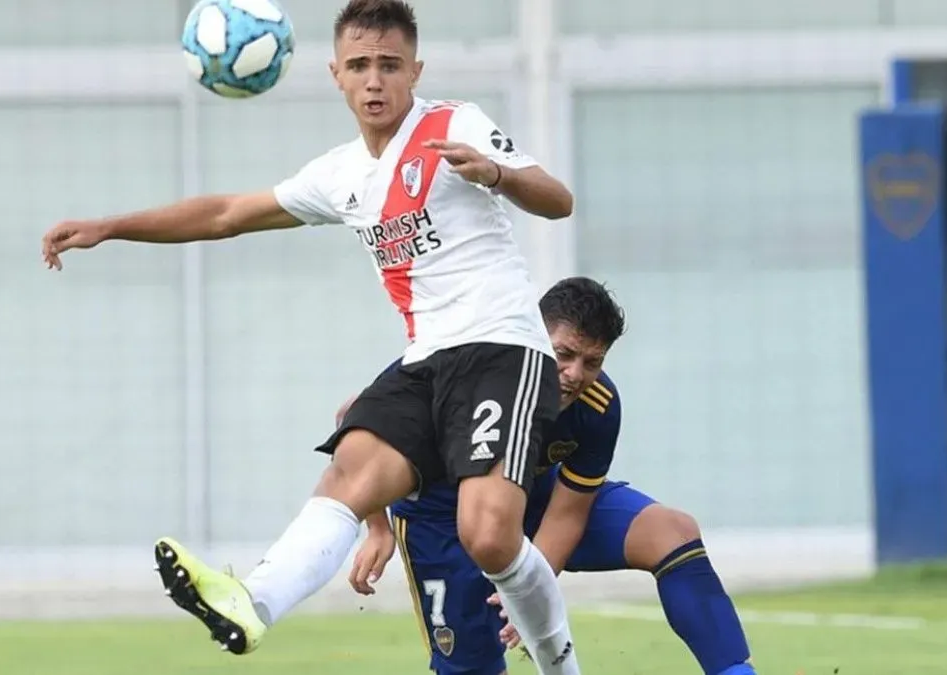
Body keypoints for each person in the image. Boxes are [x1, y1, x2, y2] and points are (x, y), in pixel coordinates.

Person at [40, 1, 582, 672]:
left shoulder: (453, 125)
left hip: (501, 349)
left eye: (389, 65)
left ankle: (562, 665)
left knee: (488, 534)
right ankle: (251, 602)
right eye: (359, 66)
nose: (374, 80)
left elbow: (557, 200)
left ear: (416, 69)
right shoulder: (341, 174)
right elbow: (226, 214)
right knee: (351, 467)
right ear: (335, 75)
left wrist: (495, 173)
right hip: (426, 360)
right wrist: (110, 225)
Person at [345, 277, 758, 675]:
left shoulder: (596, 406)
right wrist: (377, 528)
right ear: (533, 334)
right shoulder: (464, 366)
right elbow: (352, 416)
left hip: (534, 500)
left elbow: (567, 514)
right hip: (441, 522)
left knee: (673, 532)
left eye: (592, 361)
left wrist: (528, 595)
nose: (576, 374)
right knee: (474, 667)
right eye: (564, 354)